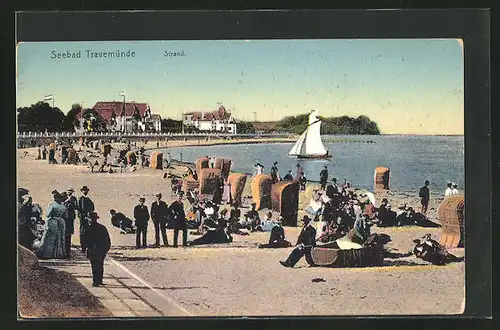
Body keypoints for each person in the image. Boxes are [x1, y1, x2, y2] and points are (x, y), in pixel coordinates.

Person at [83, 212, 111, 287]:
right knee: (100, 265)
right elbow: (107, 240)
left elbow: (84, 240)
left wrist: (85, 249)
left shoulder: (87, 228)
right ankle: (99, 280)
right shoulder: (102, 227)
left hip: (93, 249)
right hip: (100, 250)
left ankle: (96, 281)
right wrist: (105, 249)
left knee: (94, 265)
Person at [38, 191, 67, 259]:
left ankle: (48, 254)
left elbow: (48, 215)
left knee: (52, 237)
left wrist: (47, 224)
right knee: (58, 237)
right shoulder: (62, 205)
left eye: (56, 197)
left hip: (53, 221)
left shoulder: (53, 204)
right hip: (60, 221)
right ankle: (57, 254)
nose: (55, 198)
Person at [78, 186, 95, 253]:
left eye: (86, 190)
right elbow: (79, 209)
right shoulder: (80, 199)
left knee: (89, 232)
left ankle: (88, 246)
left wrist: (90, 215)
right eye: (84, 190)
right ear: (82, 191)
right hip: (83, 218)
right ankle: (83, 247)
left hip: (88, 218)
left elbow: (92, 207)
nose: (85, 192)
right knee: (83, 232)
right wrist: (83, 216)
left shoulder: (88, 199)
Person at [63, 188, 78, 258]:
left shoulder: (73, 199)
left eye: (71, 191)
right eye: (68, 191)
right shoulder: (64, 198)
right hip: (64, 218)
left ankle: (67, 252)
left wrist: (70, 203)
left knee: (68, 234)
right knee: (64, 235)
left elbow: (76, 207)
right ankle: (64, 251)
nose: (69, 192)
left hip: (70, 218)